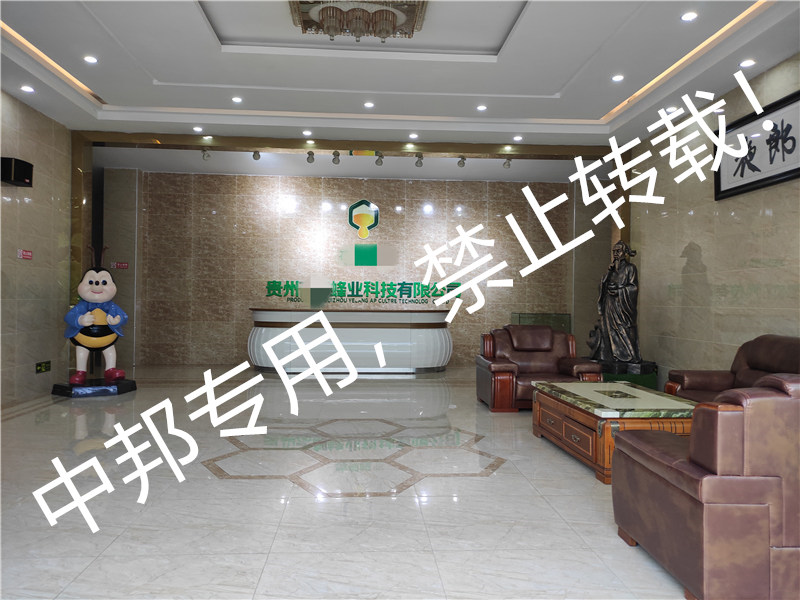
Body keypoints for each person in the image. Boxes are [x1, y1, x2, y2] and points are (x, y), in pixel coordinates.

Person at [64, 267, 128, 385]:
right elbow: (69, 317)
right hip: (83, 339)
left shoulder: (111, 306)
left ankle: (110, 370)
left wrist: (117, 320)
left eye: (104, 282)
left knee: (110, 350)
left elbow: (124, 316)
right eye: (90, 282)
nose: (97, 286)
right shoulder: (82, 306)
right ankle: (80, 373)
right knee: (81, 351)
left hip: (107, 339)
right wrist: (80, 320)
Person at [593, 240, 641, 363]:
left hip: (622, 306)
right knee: (608, 329)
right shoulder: (612, 270)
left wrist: (619, 291)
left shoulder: (630, 268)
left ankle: (627, 355)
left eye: (618, 251)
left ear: (624, 252)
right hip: (610, 304)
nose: (615, 254)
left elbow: (634, 287)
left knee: (623, 328)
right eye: (614, 251)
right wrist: (608, 273)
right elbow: (602, 286)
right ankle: (611, 354)